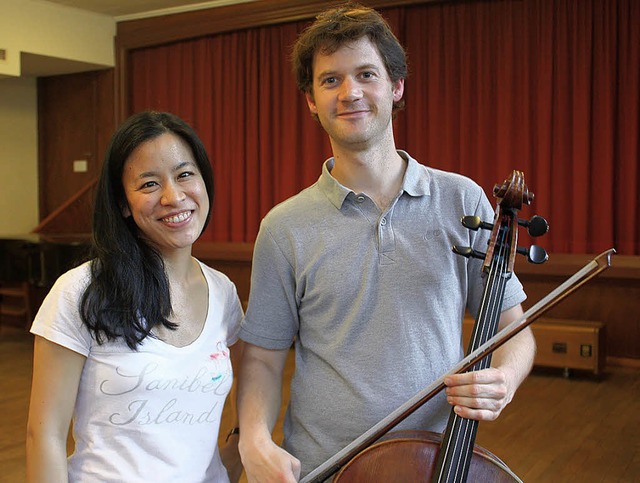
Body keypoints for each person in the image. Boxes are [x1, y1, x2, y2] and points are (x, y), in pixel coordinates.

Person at [236, 3, 536, 481]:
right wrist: (254, 436)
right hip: (326, 468)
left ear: (396, 87)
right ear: (311, 100)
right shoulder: (283, 227)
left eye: (366, 74)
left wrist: (505, 378)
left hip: (434, 463)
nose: (349, 92)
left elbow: (512, 326)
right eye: (330, 80)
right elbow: (264, 358)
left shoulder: (463, 199)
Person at [26, 111, 244, 482]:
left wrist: (236, 452)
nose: (174, 197)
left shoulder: (223, 291)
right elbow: (44, 436)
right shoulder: (81, 291)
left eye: (185, 174)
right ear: (123, 203)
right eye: (148, 184)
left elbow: (253, 390)